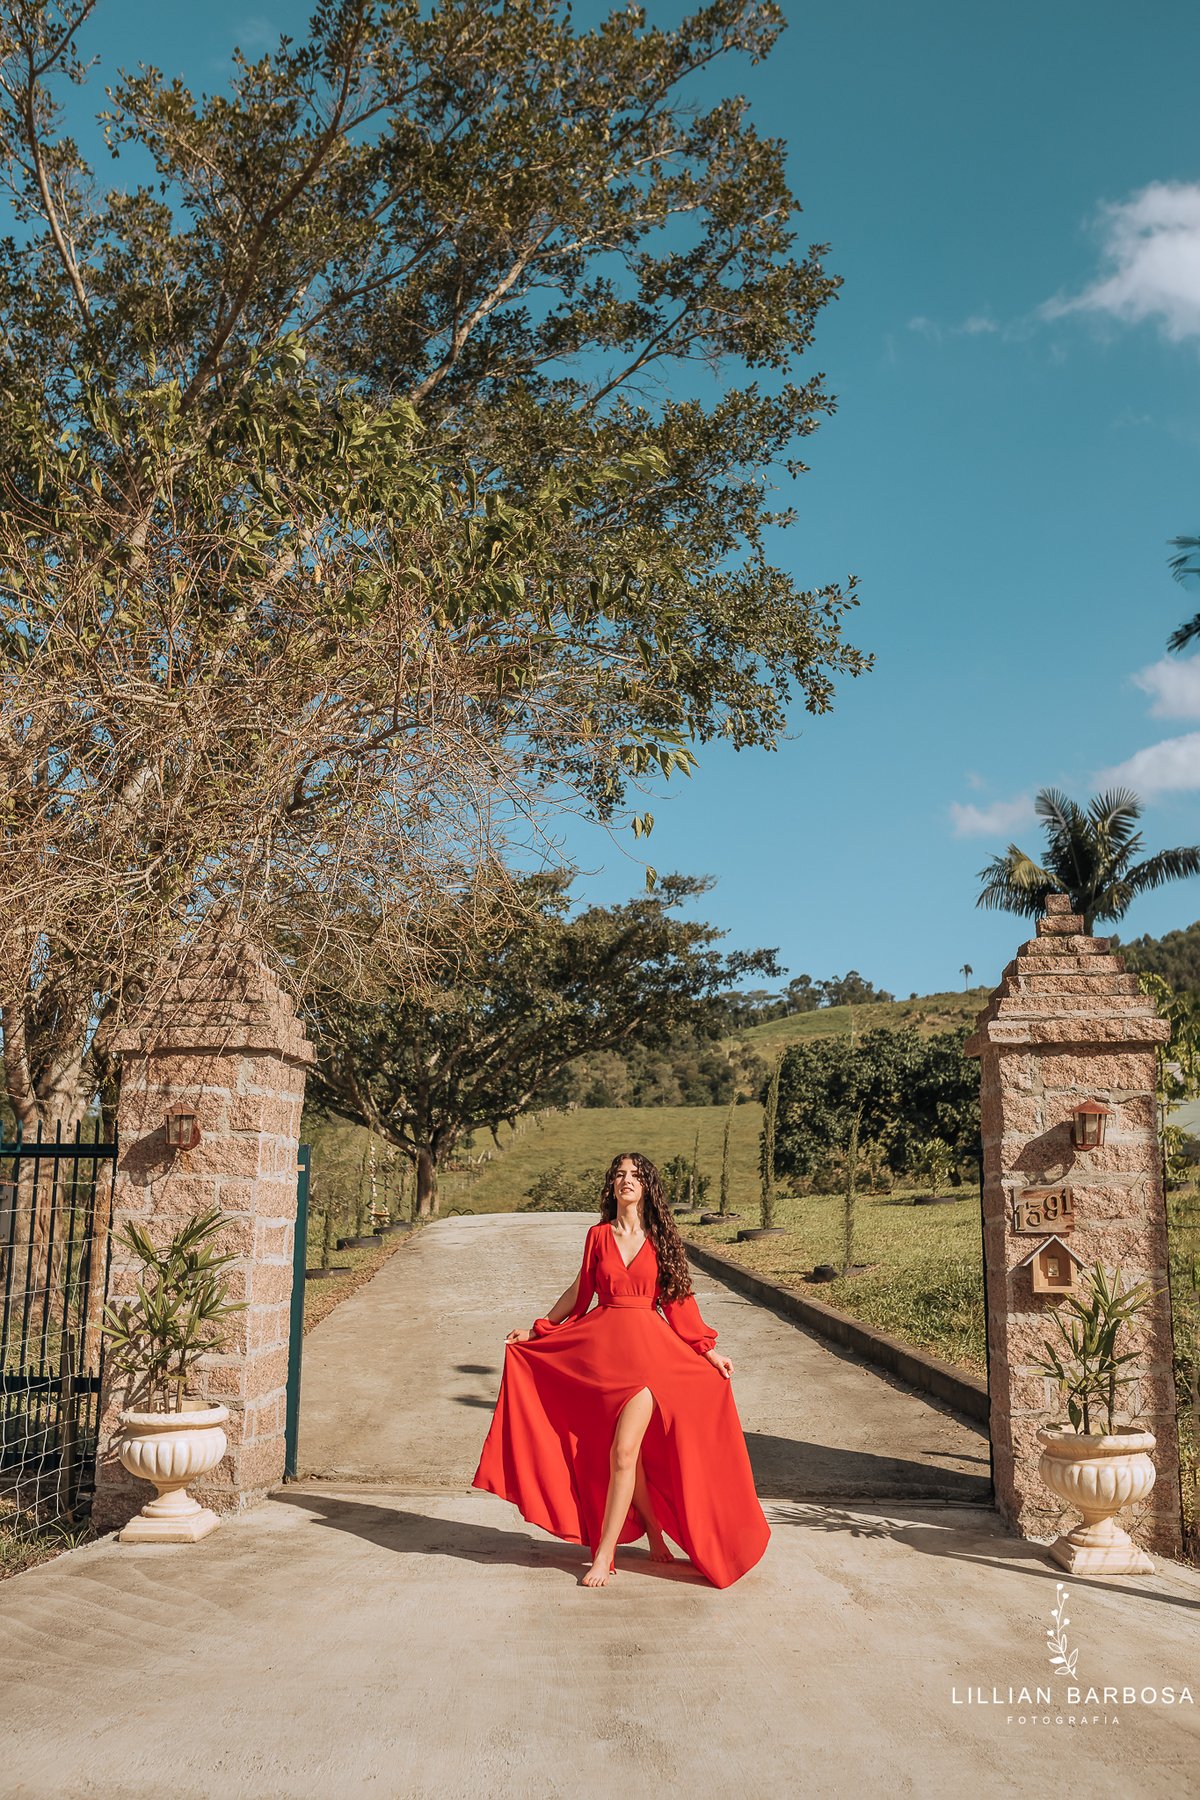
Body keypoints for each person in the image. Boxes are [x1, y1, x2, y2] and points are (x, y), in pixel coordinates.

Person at [472, 1151, 769, 1589]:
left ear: (647, 1186)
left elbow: (678, 1302)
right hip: (601, 1357)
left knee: (624, 1453)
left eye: (635, 1175)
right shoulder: (597, 1236)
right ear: (612, 1186)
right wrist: (541, 1331)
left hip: (651, 1358)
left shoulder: (662, 1239)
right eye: (619, 1175)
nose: (626, 1180)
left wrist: (707, 1351)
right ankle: (651, 1529)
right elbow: (581, 1292)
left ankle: (605, 1551)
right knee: (624, 1454)